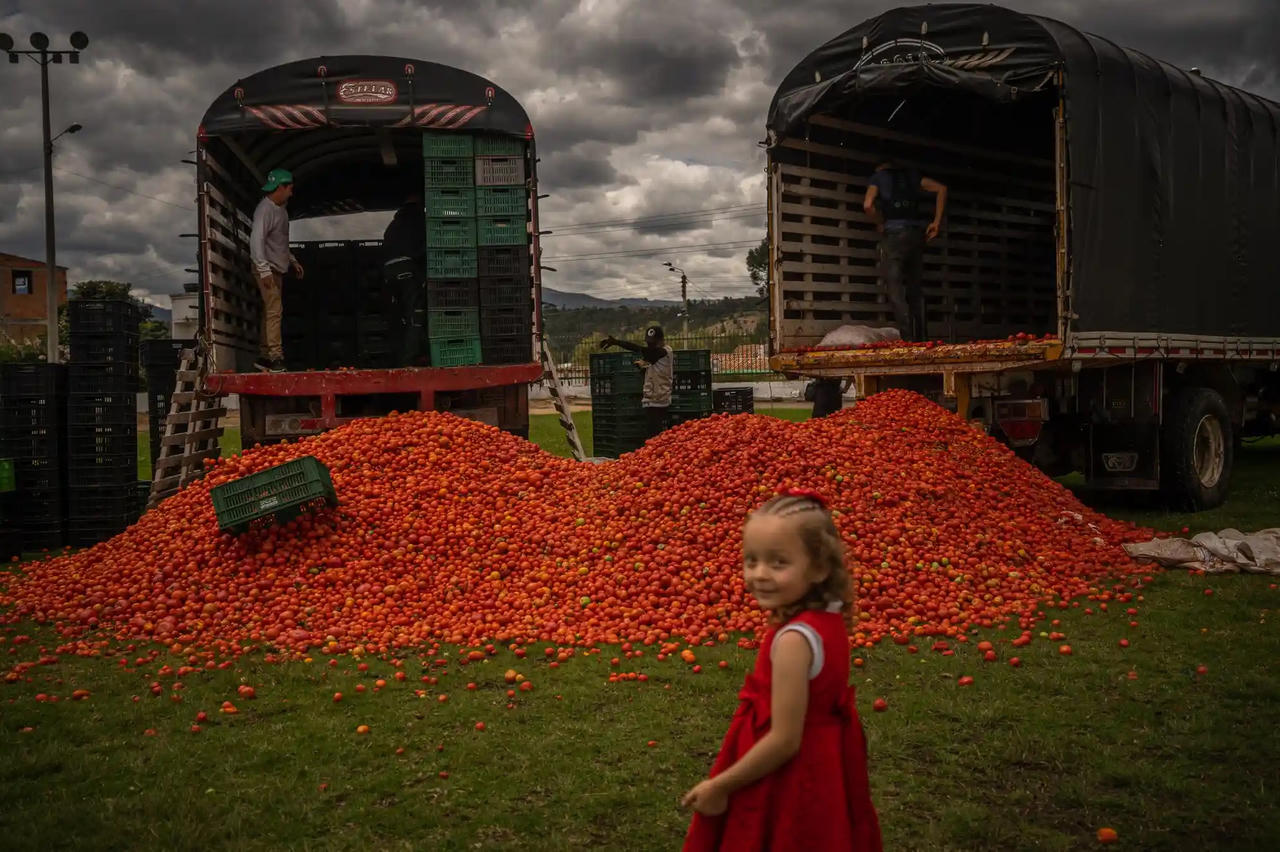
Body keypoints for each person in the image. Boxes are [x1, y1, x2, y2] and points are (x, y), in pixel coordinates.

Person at [681, 488, 882, 852]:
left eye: (778, 563)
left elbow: (784, 740)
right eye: (751, 560)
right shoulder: (829, 617)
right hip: (825, 761)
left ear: (819, 568)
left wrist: (720, 786)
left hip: (791, 775)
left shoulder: (793, 641)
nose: (759, 574)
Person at [863, 156, 947, 342]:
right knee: (915, 288)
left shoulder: (878, 177)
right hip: (916, 236)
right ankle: (923, 338)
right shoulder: (913, 177)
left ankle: (909, 340)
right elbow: (942, 189)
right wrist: (936, 223)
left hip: (894, 236)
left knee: (895, 289)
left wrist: (880, 222)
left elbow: (868, 205)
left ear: (880, 167)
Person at [249, 168, 303, 372]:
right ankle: (275, 358)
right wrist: (264, 270)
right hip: (267, 268)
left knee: (270, 311)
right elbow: (257, 240)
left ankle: (264, 356)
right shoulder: (265, 210)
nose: (291, 193)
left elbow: (280, 241)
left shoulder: (281, 210)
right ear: (280, 187)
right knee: (275, 311)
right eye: (290, 189)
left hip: (277, 268)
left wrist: (292, 260)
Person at [600, 325, 673, 438]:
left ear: (661, 340)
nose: (651, 346)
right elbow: (650, 365)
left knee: (655, 433)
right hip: (651, 398)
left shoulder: (665, 351)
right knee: (652, 432)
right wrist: (642, 367)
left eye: (653, 343)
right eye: (649, 343)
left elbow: (640, 349)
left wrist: (618, 342)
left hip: (659, 399)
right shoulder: (654, 355)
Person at [382, 192, 427, 363]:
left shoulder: (392, 225)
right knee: (416, 315)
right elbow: (424, 248)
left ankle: (396, 355)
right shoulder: (419, 220)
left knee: (398, 315)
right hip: (407, 269)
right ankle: (409, 359)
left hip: (389, 272)